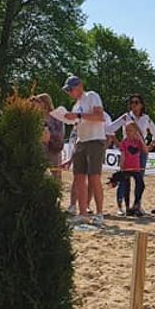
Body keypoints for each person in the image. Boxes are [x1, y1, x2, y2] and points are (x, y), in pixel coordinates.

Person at [60, 75, 106, 225]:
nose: (69, 92)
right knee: (79, 178)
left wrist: (78, 116)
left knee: (94, 177)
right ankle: (83, 213)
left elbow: (100, 116)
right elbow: (77, 128)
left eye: (70, 89)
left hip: (95, 140)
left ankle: (99, 213)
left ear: (79, 86)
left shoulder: (92, 96)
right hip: (81, 141)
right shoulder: (75, 105)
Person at [107, 94, 155, 215]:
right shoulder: (126, 117)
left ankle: (137, 205)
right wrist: (118, 144)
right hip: (127, 150)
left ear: (141, 104)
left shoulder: (146, 118)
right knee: (123, 179)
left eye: (136, 102)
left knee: (139, 179)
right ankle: (121, 206)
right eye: (132, 103)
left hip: (140, 150)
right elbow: (109, 129)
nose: (134, 105)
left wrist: (151, 145)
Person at [119, 121, 148, 216]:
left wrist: (140, 137)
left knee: (141, 184)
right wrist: (121, 166)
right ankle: (127, 207)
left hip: (136, 168)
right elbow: (123, 155)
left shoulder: (137, 142)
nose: (128, 132)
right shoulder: (124, 142)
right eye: (126, 130)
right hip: (127, 167)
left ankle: (136, 204)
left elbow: (145, 150)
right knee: (127, 187)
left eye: (130, 130)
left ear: (135, 131)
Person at [35, 93, 66, 179]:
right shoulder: (36, 117)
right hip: (40, 148)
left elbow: (61, 133)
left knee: (56, 175)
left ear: (45, 103)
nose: (36, 104)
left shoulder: (56, 117)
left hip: (53, 149)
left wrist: (49, 134)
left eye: (39, 101)